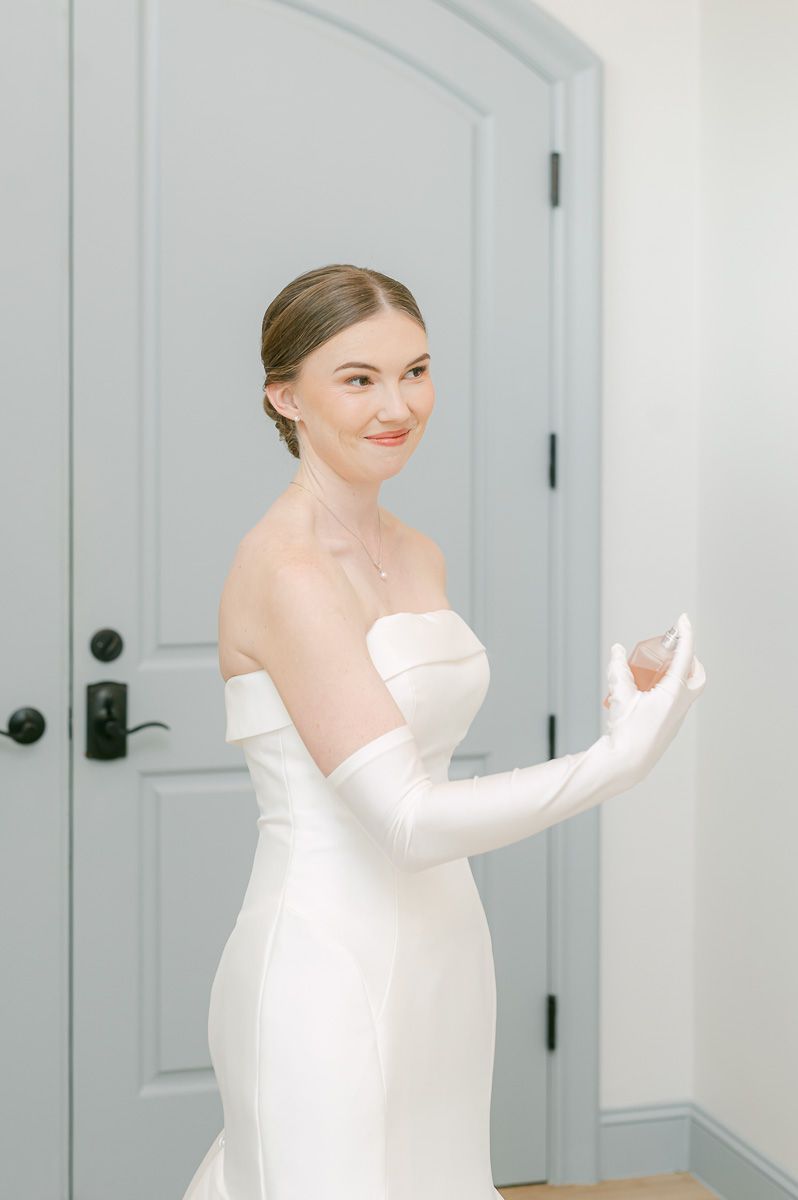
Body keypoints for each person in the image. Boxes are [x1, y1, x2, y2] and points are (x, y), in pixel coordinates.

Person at [182, 263, 706, 1200]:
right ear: (284, 396)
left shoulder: (416, 551)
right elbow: (407, 819)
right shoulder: (288, 569)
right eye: (358, 379)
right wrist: (615, 762)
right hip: (324, 961)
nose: (399, 405)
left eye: (416, 371)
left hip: (446, 948)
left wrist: (630, 698)